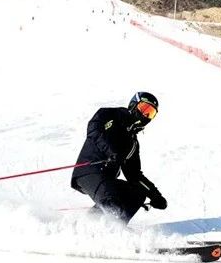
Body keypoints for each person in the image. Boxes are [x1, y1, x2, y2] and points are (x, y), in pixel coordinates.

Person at [71, 92, 167, 223]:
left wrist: (155, 195)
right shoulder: (111, 115)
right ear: (134, 104)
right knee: (112, 202)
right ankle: (114, 229)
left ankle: (94, 224)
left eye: (150, 113)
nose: (145, 115)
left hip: (107, 180)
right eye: (144, 108)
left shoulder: (132, 144)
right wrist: (112, 152)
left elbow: (134, 175)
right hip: (89, 171)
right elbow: (94, 129)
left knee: (138, 193)